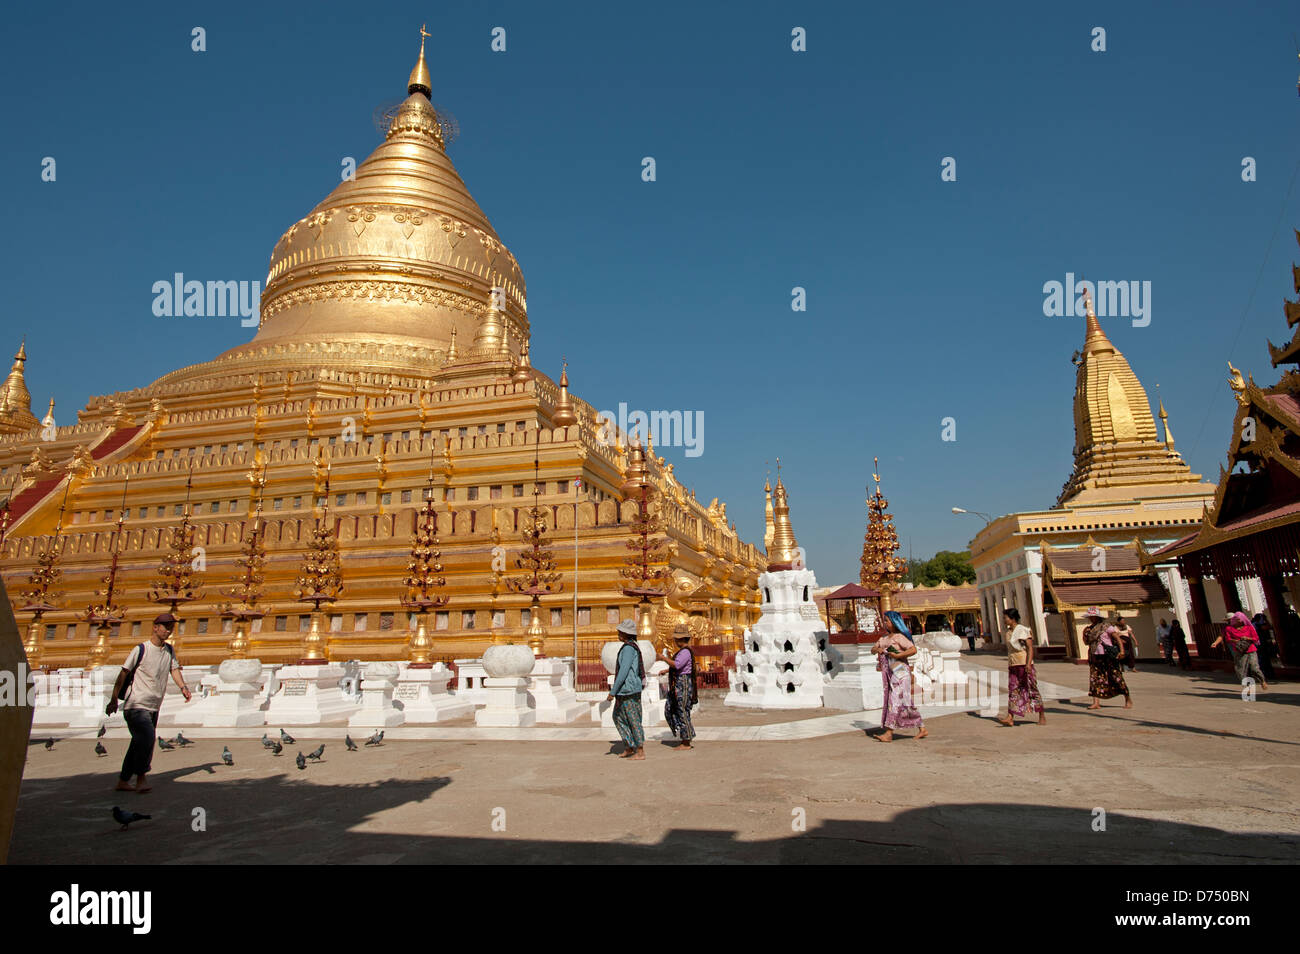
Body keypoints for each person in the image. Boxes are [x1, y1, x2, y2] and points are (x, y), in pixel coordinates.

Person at [105, 613, 192, 793]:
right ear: (155, 627)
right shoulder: (141, 649)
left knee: (137, 743)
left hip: (153, 705)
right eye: (165, 627)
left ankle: (123, 780)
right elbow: (123, 673)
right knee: (147, 739)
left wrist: (183, 687)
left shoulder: (169, 650)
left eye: (171, 628)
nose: (168, 631)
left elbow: (174, 669)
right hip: (136, 704)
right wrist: (113, 699)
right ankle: (141, 778)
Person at [870, 611, 927, 742]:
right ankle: (922, 728)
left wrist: (898, 655)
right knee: (905, 701)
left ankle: (889, 732)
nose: (885, 623)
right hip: (889, 671)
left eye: (887, 621)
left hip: (900, 670)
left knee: (894, 700)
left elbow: (913, 649)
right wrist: (876, 650)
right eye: (884, 620)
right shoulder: (884, 638)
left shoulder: (899, 637)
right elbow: (873, 649)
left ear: (894, 622)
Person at [996, 608, 1044, 726]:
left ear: (1012, 619)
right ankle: (1010, 716)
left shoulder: (1022, 630)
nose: (1004, 620)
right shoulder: (1008, 632)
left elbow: (1029, 648)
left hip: (1024, 663)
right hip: (1013, 664)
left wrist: (1028, 663)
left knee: (1032, 689)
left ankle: (1042, 715)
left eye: (1005, 617)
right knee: (1013, 690)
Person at [607, 619, 646, 759]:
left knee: (633, 719)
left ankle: (640, 750)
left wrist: (613, 691)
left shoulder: (629, 648)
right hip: (626, 689)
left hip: (629, 689)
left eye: (620, 631)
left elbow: (623, 671)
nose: (618, 633)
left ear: (625, 633)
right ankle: (629, 746)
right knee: (618, 716)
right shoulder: (629, 646)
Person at [1081, 607, 1131, 710]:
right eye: (1090, 616)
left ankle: (1127, 698)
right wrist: (1084, 634)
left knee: (1116, 676)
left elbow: (1117, 638)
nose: (1091, 618)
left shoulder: (1106, 626)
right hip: (1095, 655)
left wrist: (1121, 651)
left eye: (1093, 616)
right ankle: (1096, 702)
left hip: (1107, 655)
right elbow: (1086, 643)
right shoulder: (1089, 629)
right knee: (1095, 679)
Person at [1211, 612, 1269, 691]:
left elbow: (1255, 638)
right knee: (1241, 670)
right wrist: (1216, 643)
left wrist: (1247, 639)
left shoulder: (1249, 627)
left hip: (1250, 650)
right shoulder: (1228, 628)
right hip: (1238, 650)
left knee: (1254, 668)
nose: (1232, 621)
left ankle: (1262, 680)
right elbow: (1225, 638)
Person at [662, 626, 697, 750]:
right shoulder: (683, 652)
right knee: (678, 710)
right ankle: (685, 737)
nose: (676, 642)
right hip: (679, 682)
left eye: (677, 639)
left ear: (681, 639)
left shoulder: (685, 652)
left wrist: (663, 658)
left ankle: (686, 741)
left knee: (682, 710)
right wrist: (667, 670)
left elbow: (677, 665)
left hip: (683, 684)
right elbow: (680, 666)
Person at [1251, 613, 1277, 682]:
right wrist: (1266, 620)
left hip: (1259, 645)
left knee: (1262, 660)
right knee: (1262, 661)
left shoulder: (1252, 624)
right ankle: (1263, 675)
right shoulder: (1256, 625)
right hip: (1259, 645)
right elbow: (1267, 627)